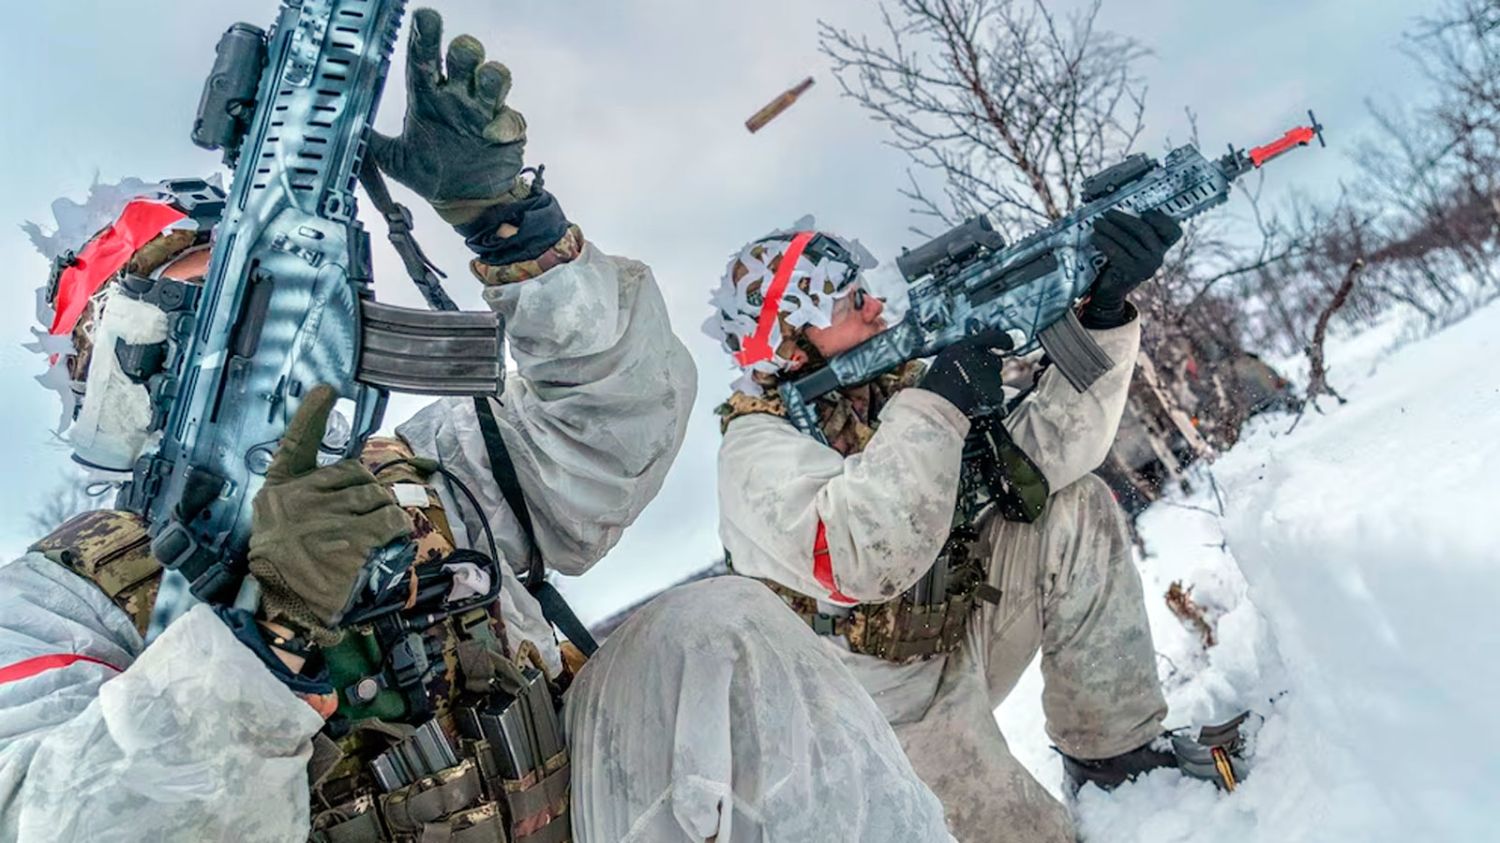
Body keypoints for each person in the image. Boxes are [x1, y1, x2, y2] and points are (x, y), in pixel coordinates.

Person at [1, 10, 954, 842]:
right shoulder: (52, 603)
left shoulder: (416, 472)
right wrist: (266, 633)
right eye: (203, 310)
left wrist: (513, 227)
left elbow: (619, 425)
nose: (260, 340)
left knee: (719, 633)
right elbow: (63, 822)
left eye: (263, 299)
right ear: (112, 367)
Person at [706, 211, 1240, 840]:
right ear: (792, 347)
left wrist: (1103, 312)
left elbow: (1047, 455)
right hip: (878, 720)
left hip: (959, 630)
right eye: (852, 303)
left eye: (865, 290)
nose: (876, 307)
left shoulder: (887, 390)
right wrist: (939, 404)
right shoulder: (754, 455)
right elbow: (865, 558)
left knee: (1072, 508)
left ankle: (1114, 760)